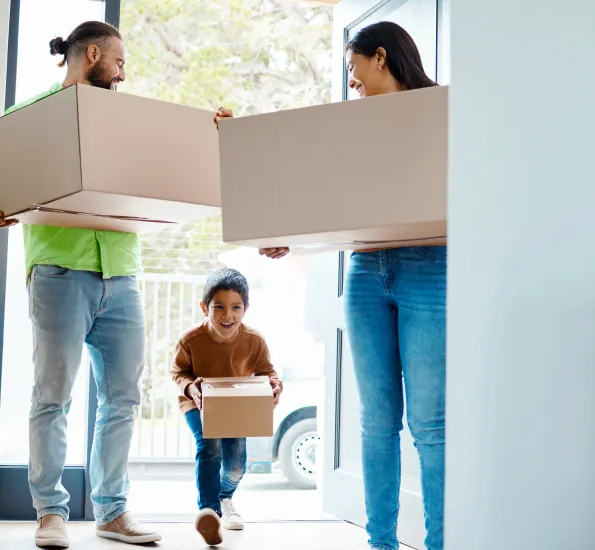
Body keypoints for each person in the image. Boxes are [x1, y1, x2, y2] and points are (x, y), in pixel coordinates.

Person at [216, 21, 446, 550]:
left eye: (354, 69)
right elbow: (324, 196)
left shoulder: (441, 112)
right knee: (377, 421)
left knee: (431, 426)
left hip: (431, 265)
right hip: (366, 271)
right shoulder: (349, 128)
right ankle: (381, 543)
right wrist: (286, 238)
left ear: (381, 58)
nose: (353, 82)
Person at [0, 21, 160, 548]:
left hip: (121, 271)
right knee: (52, 396)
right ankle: (50, 513)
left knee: (124, 396)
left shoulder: (129, 122)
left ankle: (112, 512)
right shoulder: (31, 117)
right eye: (119, 62)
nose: (124, 73)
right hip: (58, 269)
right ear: (94, 54)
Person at [169, 268, 283, 546]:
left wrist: (275, 386)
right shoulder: (190, 340)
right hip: (197, 403)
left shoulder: (254, 341)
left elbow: (268, 372)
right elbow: (177, 372)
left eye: (235, 307)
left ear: (246, 308)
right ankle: (209, 512)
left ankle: (224, 496)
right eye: (218, 307)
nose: (227, 315)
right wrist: (191, 387)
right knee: (210, 446)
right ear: (204, 307)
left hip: (235, 404)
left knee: (235, 465)